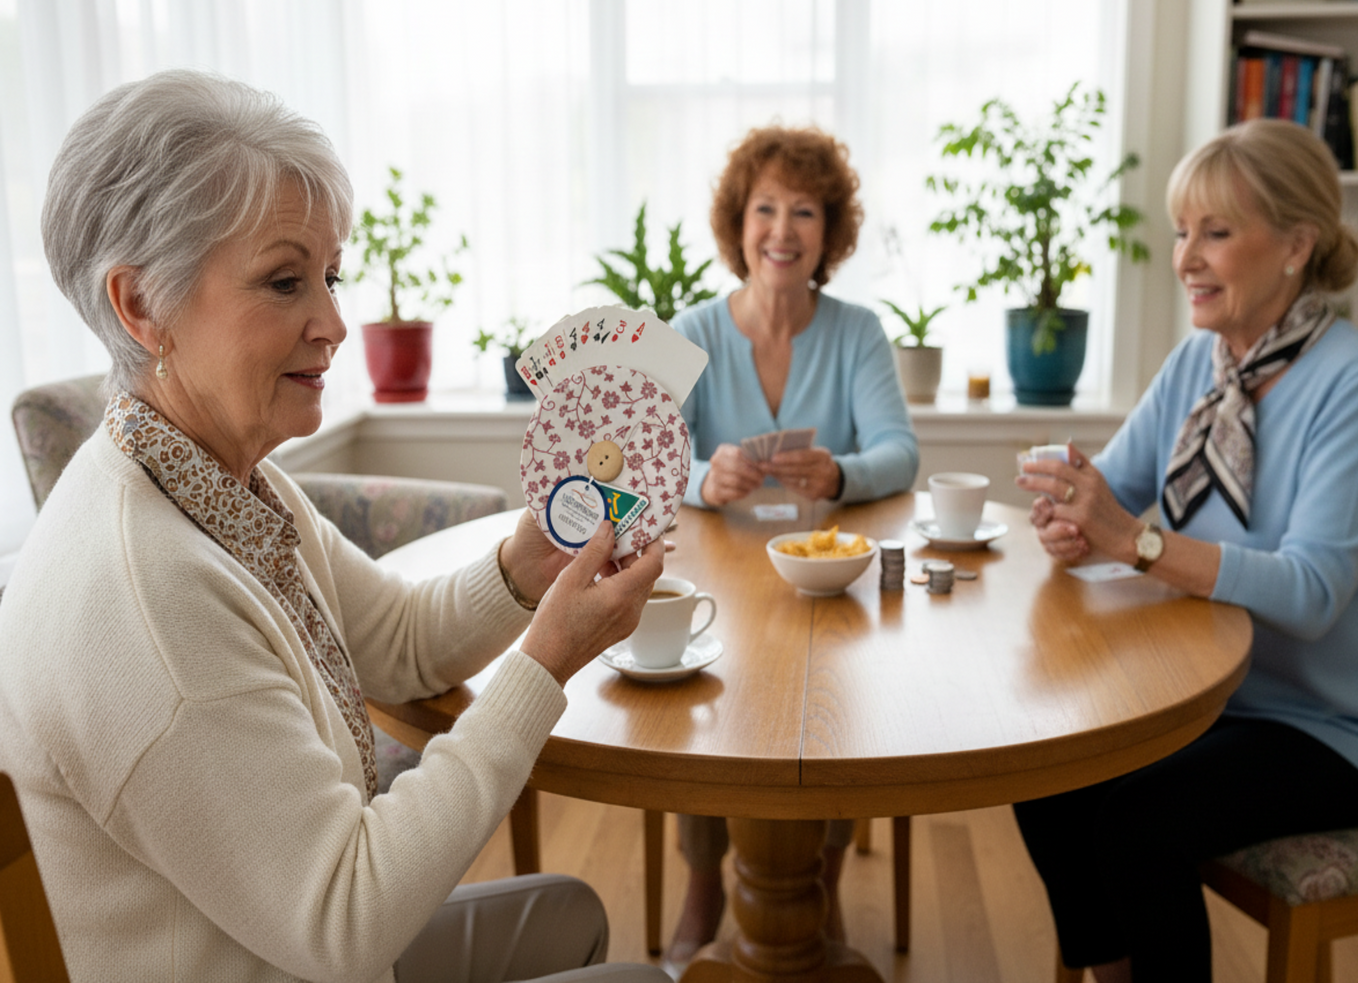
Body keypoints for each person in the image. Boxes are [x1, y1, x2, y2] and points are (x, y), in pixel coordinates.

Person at [0, 70, 670, 983]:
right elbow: (347, 921)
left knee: (570, 913)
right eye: (284, 281)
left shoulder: (218, 480)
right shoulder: (145, 597)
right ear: (140, 305)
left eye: (329, 275)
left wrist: (527, 563)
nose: (334, 322)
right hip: (314, 953)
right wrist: (545, 662)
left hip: (284, 949)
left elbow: (396, 641)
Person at [1012, 118, 1358, 983]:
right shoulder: (1197, 365)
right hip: (1208, 699)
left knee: (1137, 823)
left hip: (1338, 729)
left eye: (1214, 232)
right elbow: (1112, 495)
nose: (1186, 258)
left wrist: (1132, 540)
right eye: (1181, 232)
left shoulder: (1357, 379)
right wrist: (1070, 518)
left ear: (1295, 246)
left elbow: (1311, 594)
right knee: (1046, 767)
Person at [665, 125, 920, 970]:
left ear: (829, 231)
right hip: (718, 580)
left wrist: (841, 471)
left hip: (822, 581)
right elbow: (646, 462)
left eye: (804, 211)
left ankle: (821, 880)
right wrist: (705, 478)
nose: (782, 230)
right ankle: (703, 887)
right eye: (765, 209)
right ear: (737, 226)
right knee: (705, 706)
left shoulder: (857, 332)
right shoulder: (691, 332)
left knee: (832, 707)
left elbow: (900, 453)